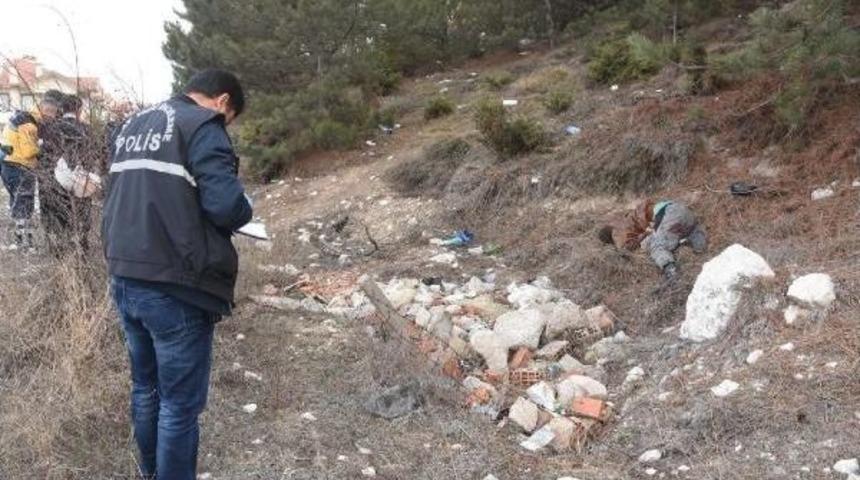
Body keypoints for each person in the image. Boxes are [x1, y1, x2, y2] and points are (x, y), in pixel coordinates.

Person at [102, 69, 252, 480]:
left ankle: (150, 472)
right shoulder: (204, 125)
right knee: (179, 406)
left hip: (125, 273)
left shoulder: (133, 124)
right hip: (175, 286)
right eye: (231, 117)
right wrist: (246, 209)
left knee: (145, 388)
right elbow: (224, 206)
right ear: (223, 102)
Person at [1, 91, 61, 248]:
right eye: (52, 113)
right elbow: (28, 152)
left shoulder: (22, 117)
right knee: (24, 203)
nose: (53, 117)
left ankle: (19, 240)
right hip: (21, 166)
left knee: (17, 201)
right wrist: (41, 145)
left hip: (8, 164)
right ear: (45, 110)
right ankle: (25, 242)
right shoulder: (29, 124)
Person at [39, 93, 96, 255]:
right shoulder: (86, 129)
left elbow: (45, 156)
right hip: (81, 179)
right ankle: (81, 248)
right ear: (79, 110)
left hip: (56, 180)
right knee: (81, 215)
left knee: (60, 215)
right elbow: (93, 155)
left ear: (61, 109)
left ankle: (60, 250)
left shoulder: (51, 128)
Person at [599, 199, 707, 280]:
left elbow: (627, 247)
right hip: (681, 210)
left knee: (656, 246)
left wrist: (645, 235)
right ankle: (700, 245)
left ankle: (670, 270)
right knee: (683, 231)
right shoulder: (628, 218)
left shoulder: (616, 232)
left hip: (669, 215)